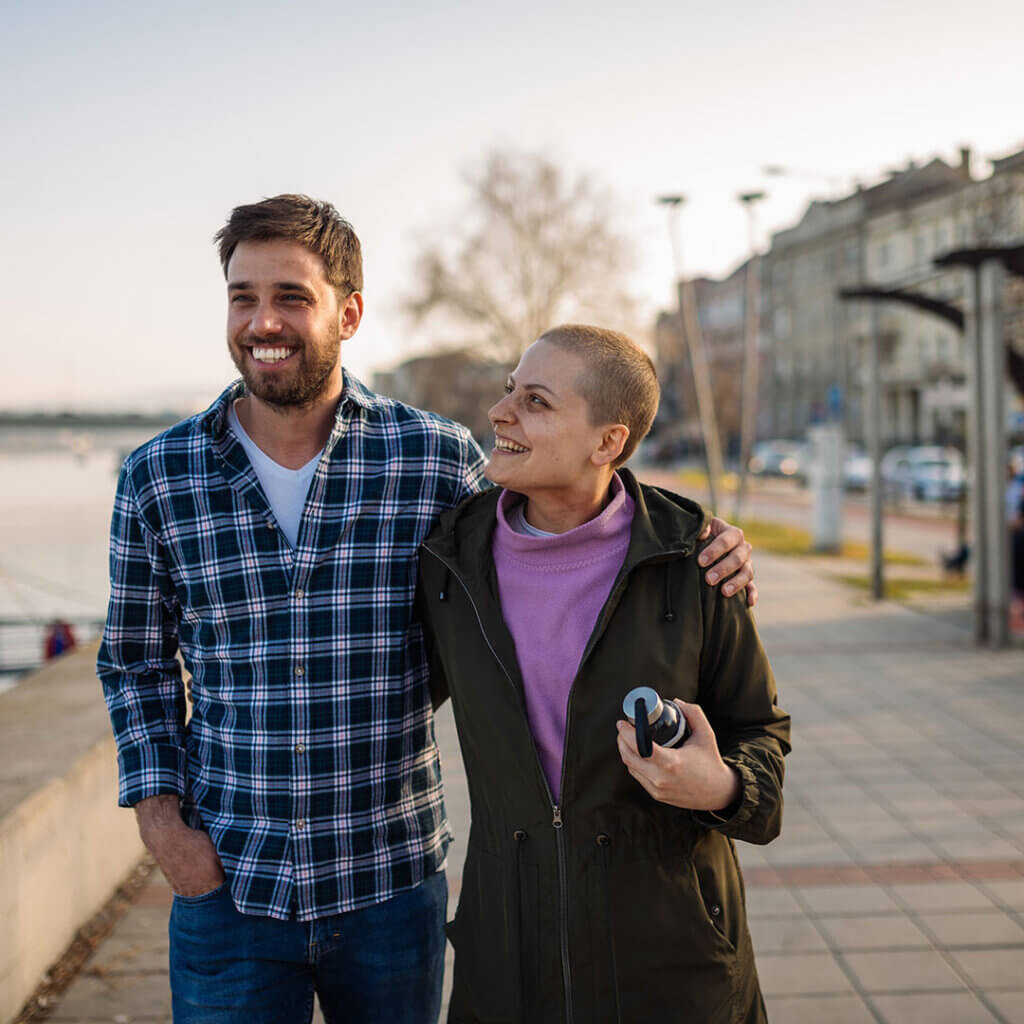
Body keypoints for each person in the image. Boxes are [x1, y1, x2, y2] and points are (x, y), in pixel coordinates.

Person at [96, 195, 758, 1024]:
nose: (263, 320)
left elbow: (560, 519)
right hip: (230, 887)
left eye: (291, 297)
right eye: (243, 296)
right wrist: (165, 830)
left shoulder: (434, 459)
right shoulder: (159, 476)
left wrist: (698, 538)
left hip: (390, 890)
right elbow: (133, 662)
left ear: (350, 311)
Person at [418, 324, 790, 1024]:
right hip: (508, 961)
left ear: (607, 442)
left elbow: (762, 733)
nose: (500, 414)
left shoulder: (695, 561)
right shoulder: (448, 562)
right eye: (508, 393)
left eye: (535, 401)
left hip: (672, 962)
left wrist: (722, 784)